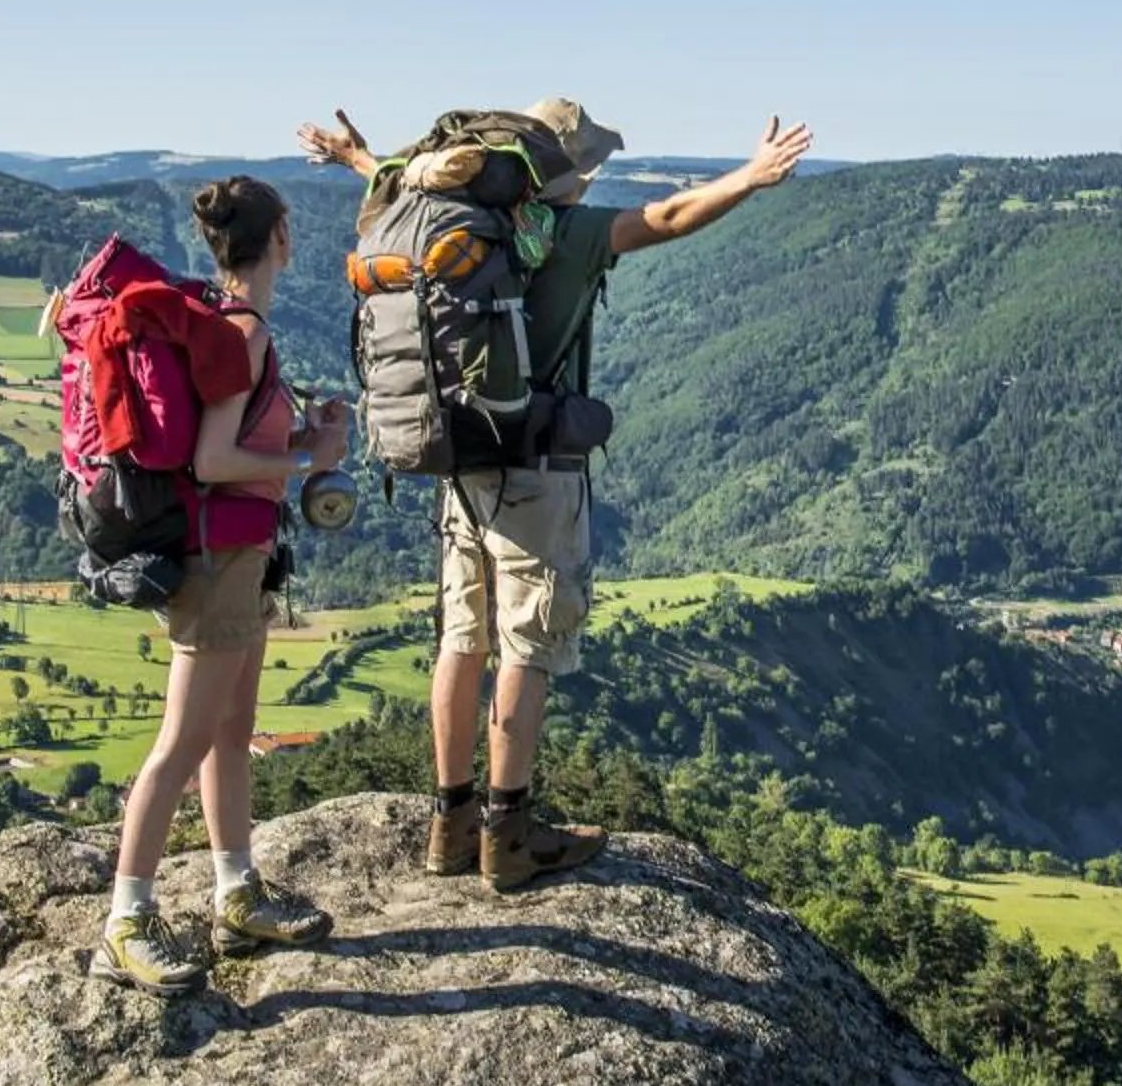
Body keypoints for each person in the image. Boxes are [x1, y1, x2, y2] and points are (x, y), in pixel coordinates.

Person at [299, 100, 813, 890]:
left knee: (461, 640)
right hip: (537, 467)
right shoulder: (567, 234)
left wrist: (359, 160)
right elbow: (670, 215)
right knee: (527, 648)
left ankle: (451, 820)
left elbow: (396, 177)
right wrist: (752, 175)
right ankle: (510, 834)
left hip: (455, 455)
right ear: (563, 171)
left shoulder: (452, 223)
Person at [93, 176, 351, 995]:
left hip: (241, 558)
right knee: (182, 744)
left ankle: (236, 894)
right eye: (291, 229)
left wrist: (304, 435)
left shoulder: (243, 331)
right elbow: (213, 462)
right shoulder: (241, 335)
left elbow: (234, 444)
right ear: (279, 238)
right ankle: (125, 923)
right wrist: (311, 459)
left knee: (232, 730)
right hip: (214, 562)